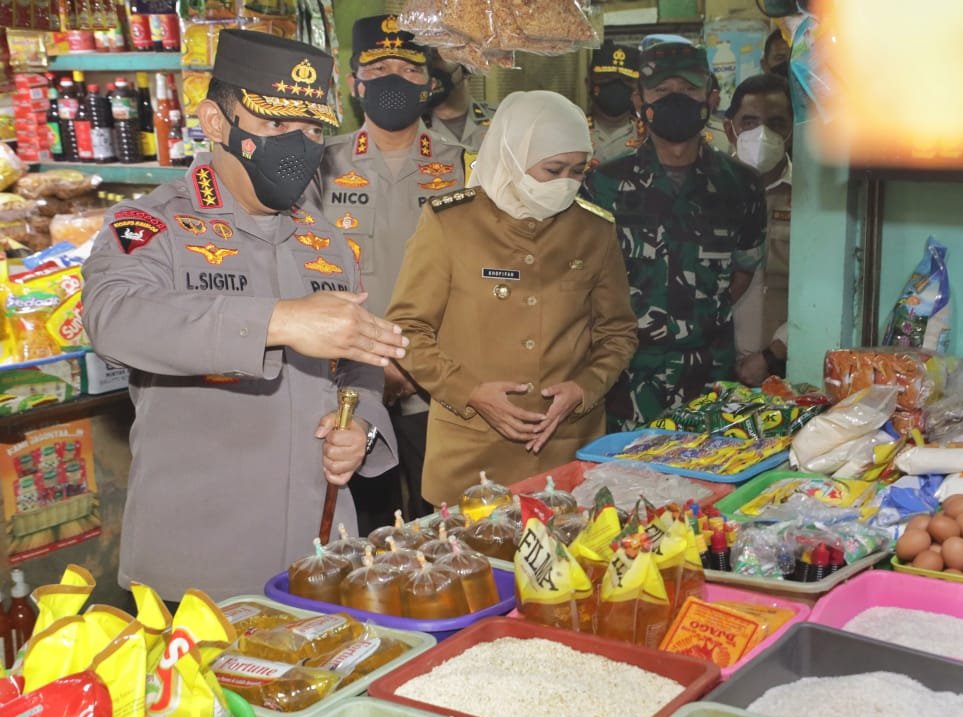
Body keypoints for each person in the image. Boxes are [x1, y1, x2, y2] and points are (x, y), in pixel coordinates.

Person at [82, 30, 406, 600]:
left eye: (311, 129)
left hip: (325, 552)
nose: (298, 144)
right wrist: (277, 322)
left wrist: (361, 427)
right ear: (214, 122)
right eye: (276, 125)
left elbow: (361, 369)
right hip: (200, 569)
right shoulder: (153, 227)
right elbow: (115, 316)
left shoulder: (327, 243)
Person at [387, 90, 638, 499]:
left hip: (565, 451)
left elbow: (618, 332)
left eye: (578, 171)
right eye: (553, 169)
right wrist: (469, 393)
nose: (566, 184)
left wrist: (585, 387)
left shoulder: (594, 229)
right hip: (469, 454)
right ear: (511, 155)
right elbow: (408, 329)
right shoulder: (450, 223)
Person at [309, 14, 454, 523]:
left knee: (446, 526)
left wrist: (413, 369)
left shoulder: (466, 167)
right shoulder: (318, 167)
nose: (394, 78)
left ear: (430, 82)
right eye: (379, 66)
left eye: (409, 68)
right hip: (345, 390)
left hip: (438, 389)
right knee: (365, 530)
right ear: (354, 83)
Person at [583, 39, 768, 431]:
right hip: (626, 378)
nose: (676, 100)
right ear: (639, 99)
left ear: (712, 96)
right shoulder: (602, 185)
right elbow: (583, 281)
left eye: (688, 90)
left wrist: (692, 314)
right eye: (662, 91)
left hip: (710, 378)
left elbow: (742, 272)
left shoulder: (742, 186)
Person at [725, 73, 793, 385]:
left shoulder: (813, 200)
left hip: (783, 367)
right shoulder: (705, 192)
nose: (763, 133)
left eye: (776, 123)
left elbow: (823, 288)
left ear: (792, 130)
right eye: (750, 122)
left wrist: (773, 353)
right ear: (730, 128)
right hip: (710, 361)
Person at [423, 51, 493, 182]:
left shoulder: (502, 120)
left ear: (467, 65)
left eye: (438, 57)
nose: (431, 66)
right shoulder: (411, 131)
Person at [587, 39, 642, 168]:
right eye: (607, 79)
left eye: (626, 81)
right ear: (588, 83)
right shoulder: (571, 131)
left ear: (638, 89)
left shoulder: (649, 137)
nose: (616, 86)